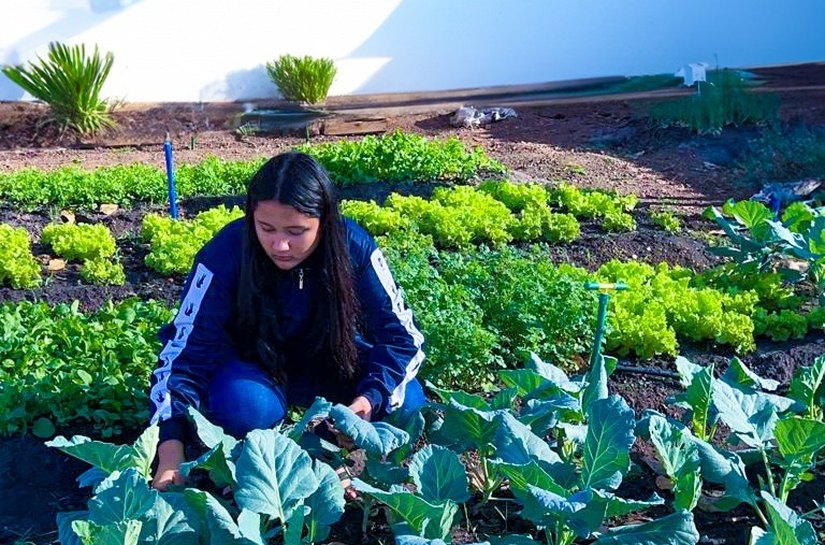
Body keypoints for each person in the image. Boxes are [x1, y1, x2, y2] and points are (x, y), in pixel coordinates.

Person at [149, 151, 425, 491]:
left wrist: (366, 402)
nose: (280, 244)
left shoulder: (354, 246)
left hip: (333, 364)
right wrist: (170, 453)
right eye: (266, 228)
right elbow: (184, 355)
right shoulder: (225, 252)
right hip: (256, 369)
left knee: (408, 401)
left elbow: (401, 338)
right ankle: (305, 452)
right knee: (244, 408)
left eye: (297, 231)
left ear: (324, 221)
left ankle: (338, 452)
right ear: (251, 216)